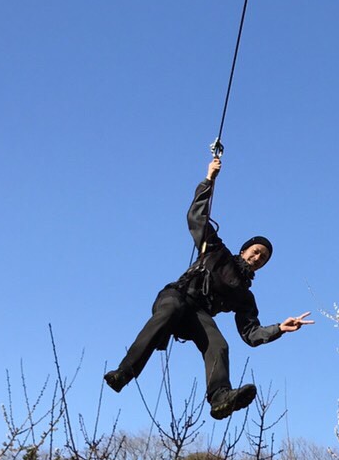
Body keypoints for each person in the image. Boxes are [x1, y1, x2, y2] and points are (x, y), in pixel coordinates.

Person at [104, 156, 312, 419]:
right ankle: (124, 372)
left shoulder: (244, 296)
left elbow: (250, 333)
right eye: (256, 251)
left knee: (219, 344)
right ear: (244, 249)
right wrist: (209, 180)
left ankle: (220, 397)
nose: (258, 258)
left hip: (197, 315)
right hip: (177, 296)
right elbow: (197, 218)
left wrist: (279, 329)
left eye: (264, 258)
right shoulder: (216, 251)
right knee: (169, 311)